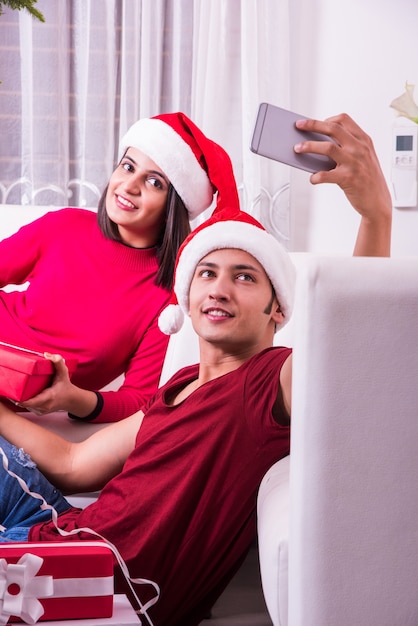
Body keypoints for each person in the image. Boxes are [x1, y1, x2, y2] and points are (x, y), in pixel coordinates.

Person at [0, 113, 392, 626]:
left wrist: (376, 216)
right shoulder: (178, 388)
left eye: (244, 277)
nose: (219, 288)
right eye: (207, 272)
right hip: (53, 530)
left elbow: (354, 350)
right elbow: (76, 466)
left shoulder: (271, 381)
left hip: (91, 578)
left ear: (277, 310)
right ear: (187, 296)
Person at [0, 112, 240, 423]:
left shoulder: (168, 298)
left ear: (173, 207)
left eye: (154, 182)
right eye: (127, 167)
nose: (129, 185)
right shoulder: (63, 226)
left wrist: (73, 398)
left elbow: (139, 398)